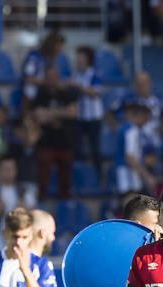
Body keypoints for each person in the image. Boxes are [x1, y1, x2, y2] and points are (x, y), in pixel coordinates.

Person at [32, 66, 77, 199]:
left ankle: (65, 202)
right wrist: (62, 113)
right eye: (49, 77)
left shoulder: (67, 94)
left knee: (66, 180)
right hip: (46, 143)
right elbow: (38, 115)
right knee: (42, 178)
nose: (52, 80)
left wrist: (49, 114)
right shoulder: (40, 95)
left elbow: (73, 113)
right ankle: (41, 201)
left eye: (55, 77)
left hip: (65, 142)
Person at [73, 45, 104, 174]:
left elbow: (96, 92)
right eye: (78, 57)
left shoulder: (94, 74)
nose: (79, 60)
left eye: (81, 57)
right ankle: (81, 176)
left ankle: (99, 175)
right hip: (80, 116)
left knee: (95, 148)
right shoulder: (75, 75)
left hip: (94, 117)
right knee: (77, 148)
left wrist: (79, 87)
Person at [114, 103, 157, 194]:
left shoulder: (126, 129)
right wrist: (147, 176)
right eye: (146, 118)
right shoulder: (131, 131)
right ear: (140, 116)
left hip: (128, 171)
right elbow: (129, 158)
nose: (147, 121)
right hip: (128, 173)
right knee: (130, 200)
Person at [21, 30, 64, 106]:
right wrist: (48, 83)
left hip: (45, 94)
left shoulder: (51, 59)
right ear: (52, 45)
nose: (61, 49)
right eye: (59, 46)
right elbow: (28, 79)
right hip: (33, 94)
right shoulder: (34, 57)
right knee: (29, 90)